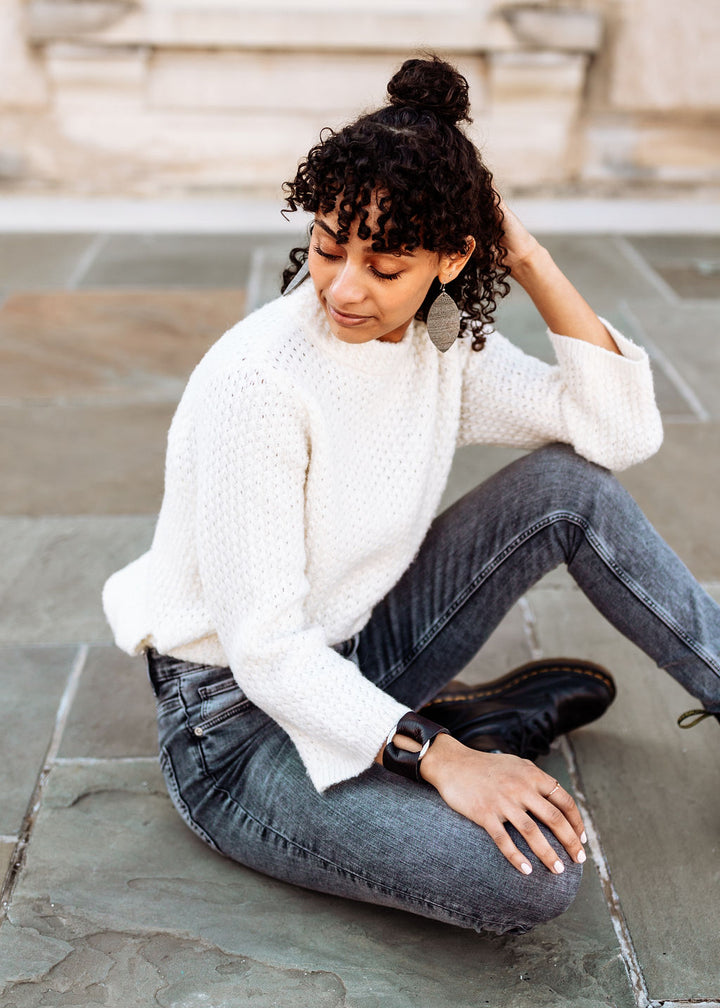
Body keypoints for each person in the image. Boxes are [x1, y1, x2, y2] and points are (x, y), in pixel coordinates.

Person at [102, 56, 720, 935]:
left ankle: (443, 726)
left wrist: (533, 259)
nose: (345, 287)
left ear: (453, 257)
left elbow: (616, 435)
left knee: (569, 486)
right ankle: (446, 731)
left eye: (386, 265)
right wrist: (444, 759)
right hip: (237, 731)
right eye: (327, 245)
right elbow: (269, 653)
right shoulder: (260, 381)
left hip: (353, 650)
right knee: (532, 881)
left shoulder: (439, 344)